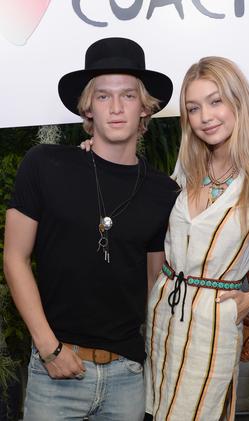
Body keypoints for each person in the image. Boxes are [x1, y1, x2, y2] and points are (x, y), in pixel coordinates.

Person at [3, 37, 178, 421]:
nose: (116, 108)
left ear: (145, 108)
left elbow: (154, 280)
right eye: (103, 96)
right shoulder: (45, 165)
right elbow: (15, 257)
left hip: (128, 376)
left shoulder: (163, 191)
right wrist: (48, 348)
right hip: (56, 372)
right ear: (88, 107)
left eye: (128, 96)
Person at [144, 57, 249, 420]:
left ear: (239, 102)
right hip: (163, 310)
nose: (205, 116)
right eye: (194, 107)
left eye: (216, 101)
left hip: (214, 319)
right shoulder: (189, 165)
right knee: (152, 409)